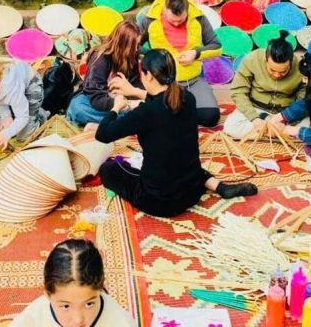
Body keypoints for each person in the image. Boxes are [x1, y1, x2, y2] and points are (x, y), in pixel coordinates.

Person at [89, 49, 257, 217]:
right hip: (192, 193)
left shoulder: (145, 113)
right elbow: (160, 99)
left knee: (110, 168)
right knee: (184, 163)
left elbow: (103, 134)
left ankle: (216, 186)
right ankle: (220, 187)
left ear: (148, 76)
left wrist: (116, 107)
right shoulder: (187, 98)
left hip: (160, 202)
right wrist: (133, 91)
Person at [136, 0, 222, 126]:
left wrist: (196, 53)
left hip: (193, 79)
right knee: (158, 117)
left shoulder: (199, 18)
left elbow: (216, 46)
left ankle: (180, 114)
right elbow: (133, 45)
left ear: (187, 11)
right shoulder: (149, 20)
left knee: (210, 117)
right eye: (172, 21)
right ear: (165, 9)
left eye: (180, 20)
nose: (176, 24)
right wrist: (155, 56)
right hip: (163, 83)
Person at [11, 239, 135, 327]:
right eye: (66, 306)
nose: (78, 320)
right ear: (48, 294)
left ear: (100, 288)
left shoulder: (118, 320)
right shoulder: (35, 316)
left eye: (89, 304)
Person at [225, 30, 304, 138]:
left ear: (291, 63)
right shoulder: (252, 59)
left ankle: (269, 131)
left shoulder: (301, 66)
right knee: (230, 127)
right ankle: (278, 132)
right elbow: (238, 91)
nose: (276, 75)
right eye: (272, 70)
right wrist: (254, 118)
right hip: (257, 109)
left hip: (286, 112)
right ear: (266, 60)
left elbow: (304, 97)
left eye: (283, 72)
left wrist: (288, 117)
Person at [66, 21, 144, 126]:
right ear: (122, 44)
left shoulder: (132, 56)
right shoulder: (101, 58)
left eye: (138, 45)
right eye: (133, 45)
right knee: (78, 108)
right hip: (95, 102)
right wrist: (121, 105)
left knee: (144, 108)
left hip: (121, 101)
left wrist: (133, 93)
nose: (136, 49)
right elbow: (94, 94)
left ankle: (109, 123)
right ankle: (121, 121)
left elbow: (135, 84)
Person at [0, 60, 49, 150]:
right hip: (16, 95)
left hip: (32, 85)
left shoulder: (11, 90)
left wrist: (7, 133)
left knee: (23, 136)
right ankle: (23, 111)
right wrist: (6, 116)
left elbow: (23, 116)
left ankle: (40, 115)